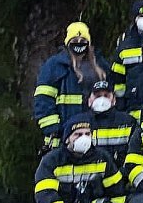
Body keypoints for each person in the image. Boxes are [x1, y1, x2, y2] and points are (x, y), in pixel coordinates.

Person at [34, 21, 110, 151]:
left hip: (95, 133)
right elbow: (43, 101)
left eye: (83, 39)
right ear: (68, 42)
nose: (79, 42)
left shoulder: (100, 65)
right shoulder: (54, 66)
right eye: (75, 39)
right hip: (63, 135)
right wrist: (54, 130)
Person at [86, 80, 139, 168]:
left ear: (114, 100)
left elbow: (134, 153)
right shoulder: (79, 122)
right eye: (97, 96)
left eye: (106, 96)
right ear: (89, 101)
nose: (102, 100)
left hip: (121, 175)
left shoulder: (128, 121)